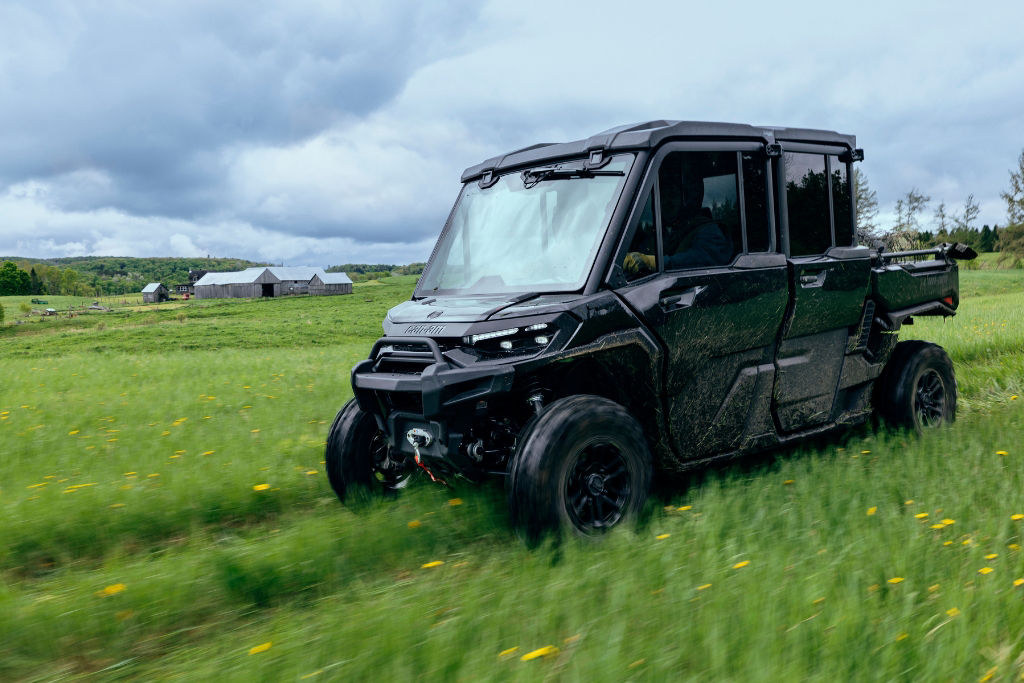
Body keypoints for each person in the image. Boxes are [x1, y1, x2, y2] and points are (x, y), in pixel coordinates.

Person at [624, 155, 733, 274]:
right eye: (662, 197)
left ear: (685, 199)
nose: (667, 202)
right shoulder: (657, 234)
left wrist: (655, 263)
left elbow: (702, 259)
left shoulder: (708, 230)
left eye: (672, 195)